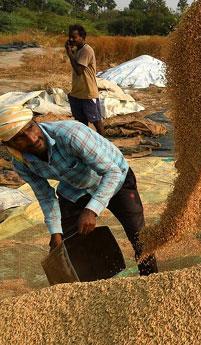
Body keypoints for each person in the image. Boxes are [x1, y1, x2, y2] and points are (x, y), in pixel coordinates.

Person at [0, 106, 157, 276]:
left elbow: (112, 173)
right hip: (75, 186)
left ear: (36, 122)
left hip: (116, 177)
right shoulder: (21, 163)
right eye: (19, 138)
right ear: (8, 144)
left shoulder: (70, 135)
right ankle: (97, 280)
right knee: (70, 238)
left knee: (139, 235)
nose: (31, 139)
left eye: (30, 127)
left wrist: (91, 210)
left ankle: (150, 279)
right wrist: (55, 232)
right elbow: (45, 196)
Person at [65, 24, 104, 136]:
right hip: (77, 93)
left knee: (96, 121)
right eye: (70, 37)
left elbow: (79, 70)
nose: (71, 39)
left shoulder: (87, 50)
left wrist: (69, 54)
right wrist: (71, 52)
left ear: (82, 37)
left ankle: (104, 144)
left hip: (88, 93)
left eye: (74, 37)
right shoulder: (78, 50)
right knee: (81, 122)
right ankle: (87, 142)